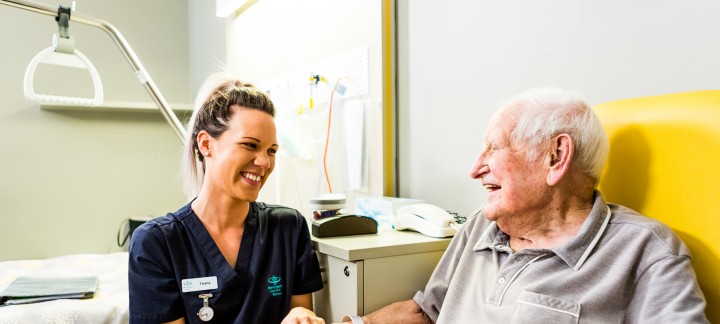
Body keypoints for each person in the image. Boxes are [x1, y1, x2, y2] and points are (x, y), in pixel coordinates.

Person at [342, 88, 708, 323]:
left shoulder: (645, 251)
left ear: (556, 156)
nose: (474, 169)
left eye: (495, 148)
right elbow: (427, 313)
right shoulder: (479, 227)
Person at [129, 72, 325, 324]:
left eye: (272, 150)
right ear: (206, 144)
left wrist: (301, 315)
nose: (264, 161)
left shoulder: (288, 227)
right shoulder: (157, 243)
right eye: (250, 145)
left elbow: (300, 311)